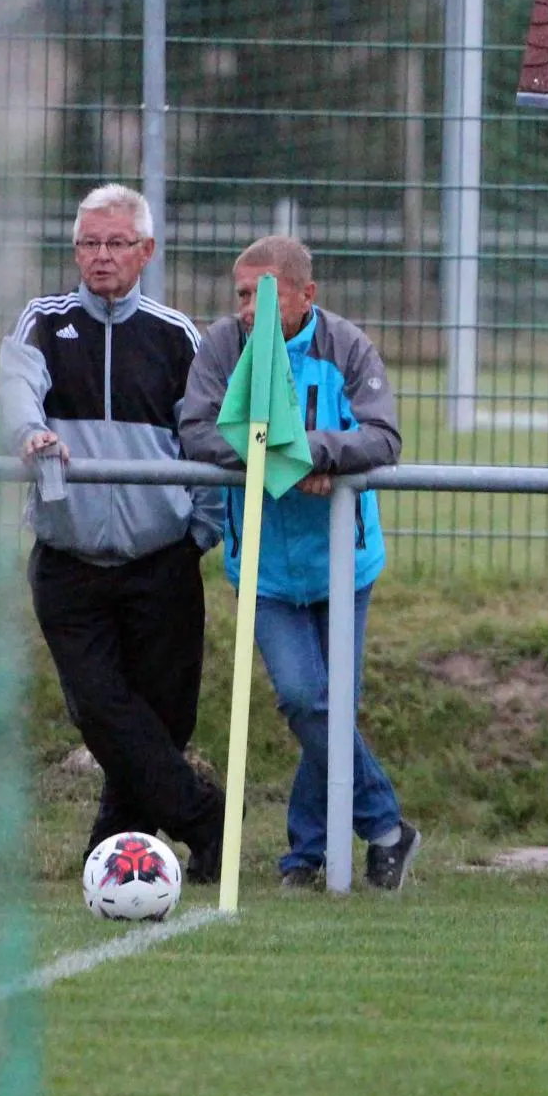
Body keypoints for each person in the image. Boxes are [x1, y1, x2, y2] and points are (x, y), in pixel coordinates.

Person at [2, 184, 227, 882]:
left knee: (162, 719)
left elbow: (206, 439)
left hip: (161, 560)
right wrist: (31, 432)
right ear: (75, 250)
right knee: (101, 708)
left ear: (146, 251)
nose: (102, 256)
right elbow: (17, 388)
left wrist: (198, 532)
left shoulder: (176, 335)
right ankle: (207, 820)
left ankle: (117, 848)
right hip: (68, 559)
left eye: (117, 243)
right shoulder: (43, 322)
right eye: (90, 243)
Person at [181, 235, 420, 891]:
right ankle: (386, 825)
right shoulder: (222, 347)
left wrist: (317, 451)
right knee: (303, 698)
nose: (248, 309)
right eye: (241, 294)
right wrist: (288, 460)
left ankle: (305, 853)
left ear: (306, 295)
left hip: (344, 562)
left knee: (330, 706)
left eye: (264, 295)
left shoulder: (347, 347)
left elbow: (382, 437)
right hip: (264, 567)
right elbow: (196, 431)